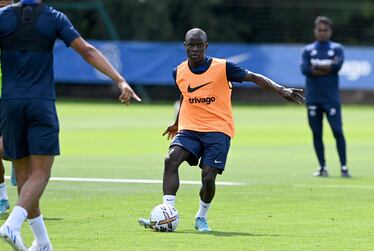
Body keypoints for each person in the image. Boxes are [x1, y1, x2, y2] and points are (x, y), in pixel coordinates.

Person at [0, 0, 141, 250]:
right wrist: (120, 80)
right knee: (41, 173)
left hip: (10, 104)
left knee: (23, 175)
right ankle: (12, 223)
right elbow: (86, 50)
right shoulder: (53, 17)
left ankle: (42, 242)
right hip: (40, 103)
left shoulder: (3, 17)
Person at [139, 28, 304, 232]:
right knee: (170, 160)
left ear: (206, 47)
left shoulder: (223, 67)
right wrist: (176, 122)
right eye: (191, 45)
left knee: (208, 177)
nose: (195, 49)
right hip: (190, 128)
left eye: (200, 45)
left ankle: (201, 217)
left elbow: (253, 77)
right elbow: (185, 95)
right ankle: (167, 213)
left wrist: (281, 90)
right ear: (185, 46)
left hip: (218, 129)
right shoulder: (179, 71)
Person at [301, 16, 350, 178]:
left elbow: (337, 66)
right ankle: (322, 167)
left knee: (337, 131)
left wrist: (317, 68)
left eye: (325, 30)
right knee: (316, 133)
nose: (322, 33)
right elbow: (305, 70)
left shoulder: (337, 48)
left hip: (331, 98)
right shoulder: (308, 50)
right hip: (313, 98)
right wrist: (326, 67)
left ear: (330, 31)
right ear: (315, 31)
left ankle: (344, 167)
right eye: (319, 30)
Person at [0, 0, 14, 217]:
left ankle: (20, 157)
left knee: (6, 149)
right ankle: (2, 196)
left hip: (12, 95)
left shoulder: (16, 23)